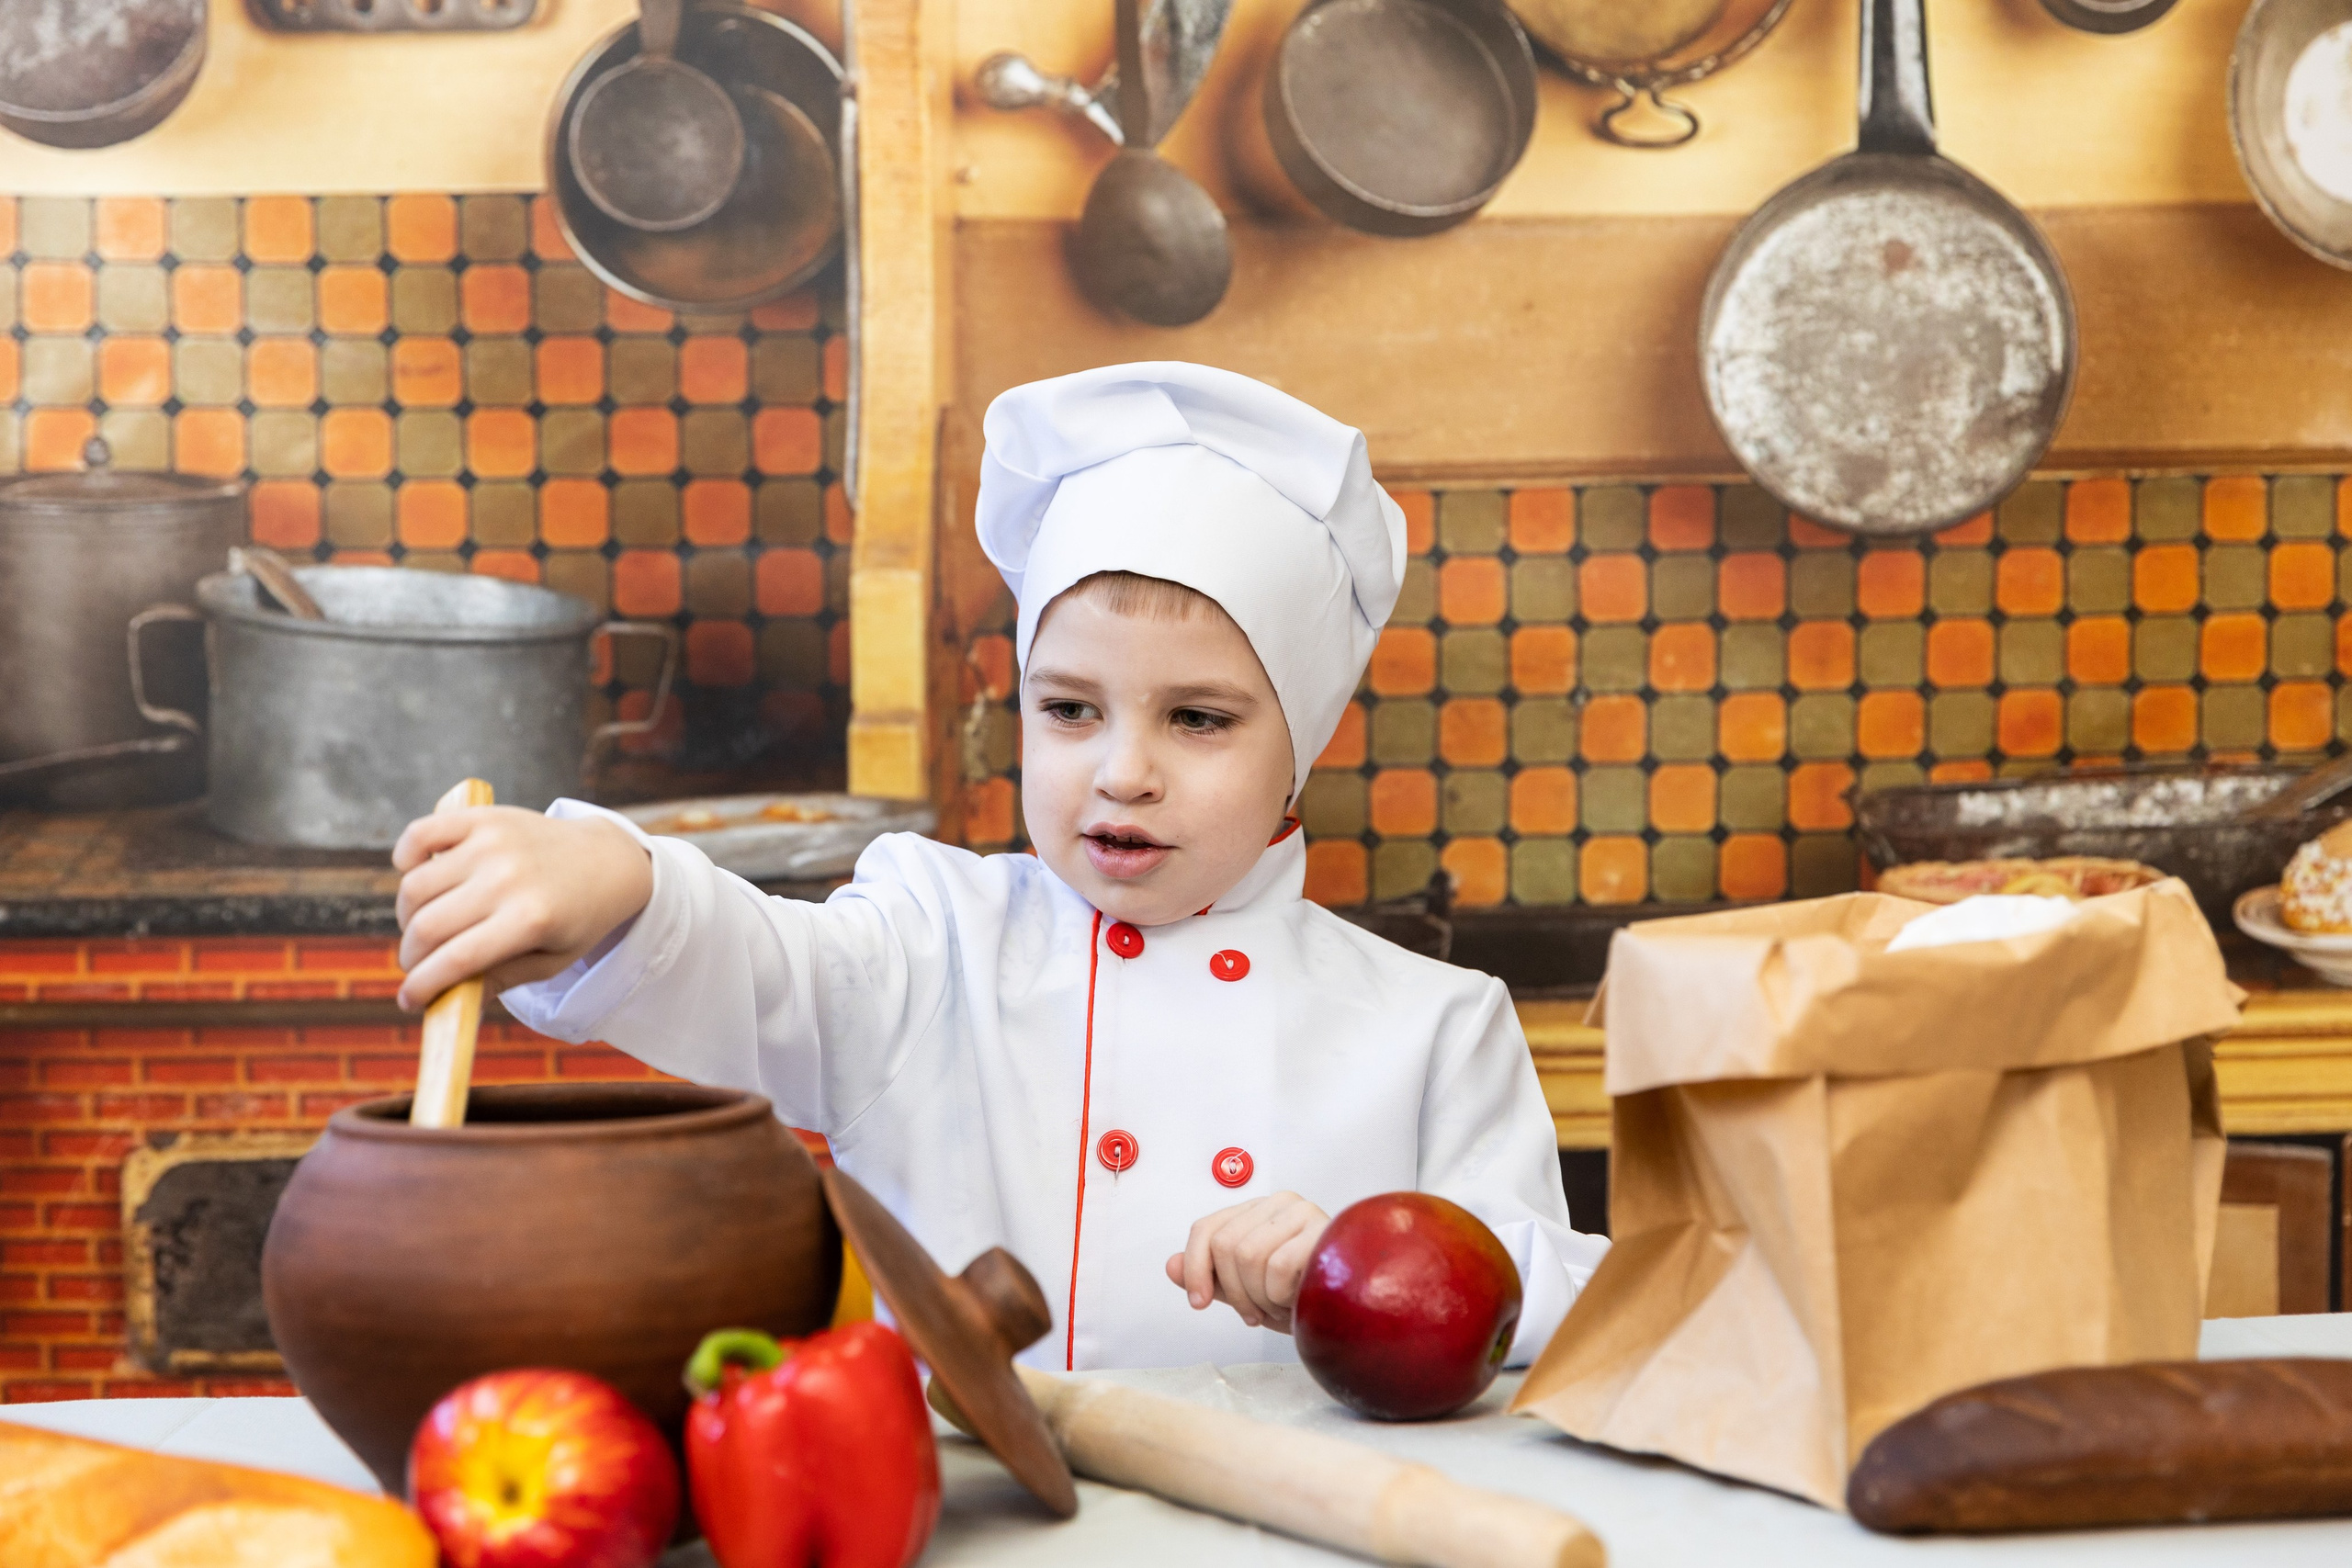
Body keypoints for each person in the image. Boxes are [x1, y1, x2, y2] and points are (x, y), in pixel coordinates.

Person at [390, 362, 1607, 1371]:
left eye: (1197, 720)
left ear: (1303, 742)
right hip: (972, 1522)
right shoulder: (934, 942)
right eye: (1070, 709)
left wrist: (1362, 1264)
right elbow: (762, 964)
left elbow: (1570, 1308)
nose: (1122, 772)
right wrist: (616, 878)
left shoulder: (1437, 1029)